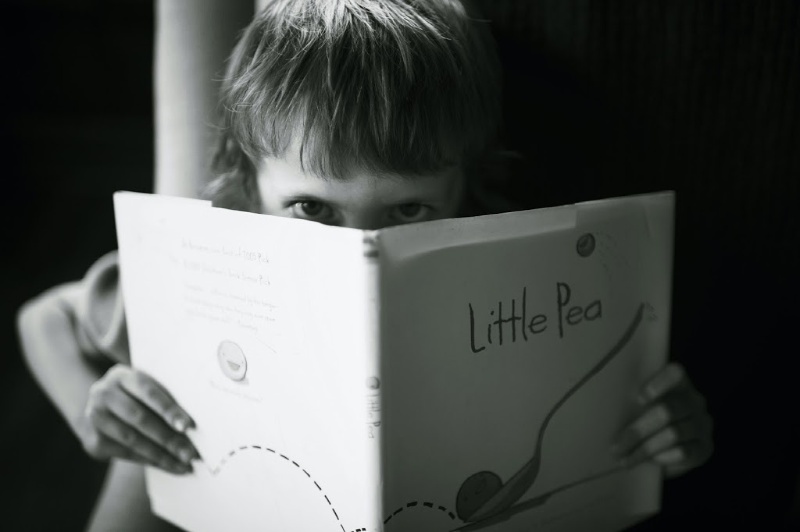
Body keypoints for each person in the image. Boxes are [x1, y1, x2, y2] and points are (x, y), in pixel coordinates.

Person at [17, 1, 713, 530]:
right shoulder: (208, 271)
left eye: (409, 210)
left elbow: (619, 435)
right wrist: (93, 402)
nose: (360, 250)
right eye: (313, 210)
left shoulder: (522, 272)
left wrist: (668, 439)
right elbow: (42, 318)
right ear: (248, 182)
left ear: (466, 185)